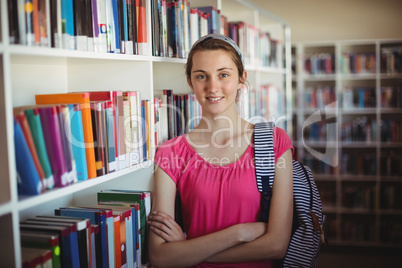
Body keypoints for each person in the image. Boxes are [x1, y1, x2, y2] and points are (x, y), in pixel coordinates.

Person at [148, 33, 294, 268]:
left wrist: (186, 248)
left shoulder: (273, 142)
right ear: (190, 81)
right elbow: (161, 257)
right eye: (201, 76)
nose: (212, 87)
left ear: (241, 79)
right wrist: (239, 233)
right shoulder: (170, 153)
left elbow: (276, 245)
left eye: (223, 74)